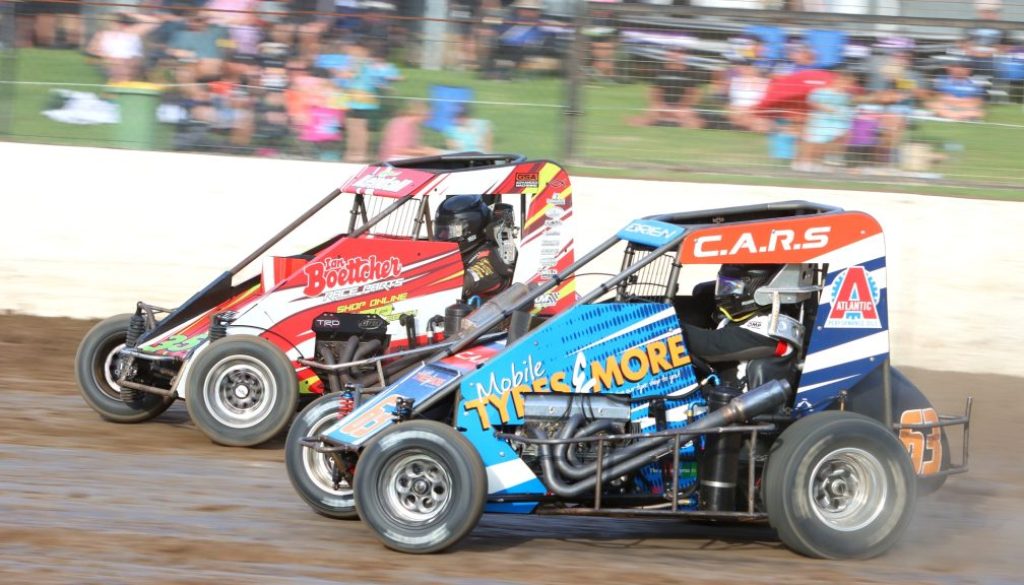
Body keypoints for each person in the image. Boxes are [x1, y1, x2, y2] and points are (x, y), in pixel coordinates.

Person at [681, 264, 802, 387]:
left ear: (754, 288)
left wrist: (672, 327)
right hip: (718, 394)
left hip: (742, 402)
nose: (722, 293)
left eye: (731, 287)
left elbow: (711, 345)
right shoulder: (733, 319)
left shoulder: (773, 327)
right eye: (723, 286)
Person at [434, 195, 517, 299]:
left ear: (471, 230)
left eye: (448, 232)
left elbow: (465, 282)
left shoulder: (490, 260)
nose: (442, 236)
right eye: (440, 231)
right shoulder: (459, 255)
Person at [629, 46, 705, 129]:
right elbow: (654, 92)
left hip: (682, 108)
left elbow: (693, 94)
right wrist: (661, 106)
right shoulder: (659, 70)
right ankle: (665, 121)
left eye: (680, 52)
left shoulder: (692, 71)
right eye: (672, 51)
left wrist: (679, 109)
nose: (676, 55)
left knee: (693, 123)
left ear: (685, 55)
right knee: (649, 115)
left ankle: (669, 122)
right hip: (662, 106)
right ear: (667, 53)